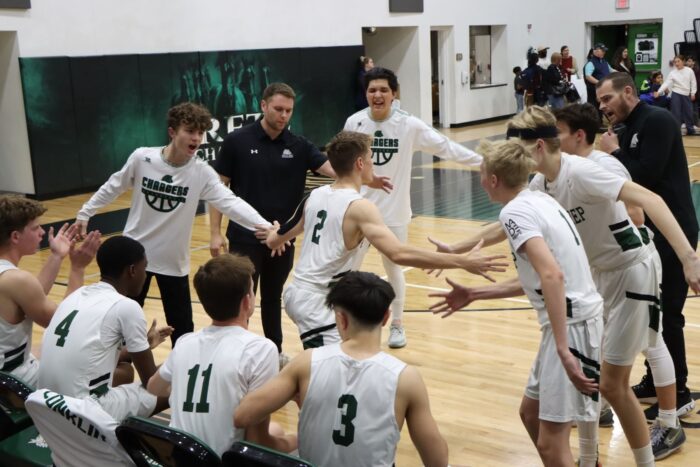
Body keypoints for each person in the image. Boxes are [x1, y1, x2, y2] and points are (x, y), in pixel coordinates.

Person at [430, 138, 603, 467]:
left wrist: (564, 349)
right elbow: (541, 282)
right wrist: (474, 293)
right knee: (530, 414)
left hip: (572, 326)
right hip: (574, 320)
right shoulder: (539, 199)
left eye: (482, 173)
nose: (480, 179)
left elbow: (552, 276)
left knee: (552, 444)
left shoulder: (515, 212)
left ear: (493, 179)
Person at [263, 131, 506, 348]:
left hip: (303, 292)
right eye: (370, 159)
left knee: (350, 361)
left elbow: (276, 239)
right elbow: (398, 254)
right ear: (360, 163)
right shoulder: (360, 208)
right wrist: (462, 261)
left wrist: (273, 232)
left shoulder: (314, 196)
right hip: (316, 303)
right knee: (326, 378)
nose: (373, 165)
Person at [210, 83, 389, 361]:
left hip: (282, 237)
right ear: (263, 105)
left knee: (272, 298)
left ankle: (275, 352)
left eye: (289, 111)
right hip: (246, 237)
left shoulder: (299, 145)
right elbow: (218, 189)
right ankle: (235, 356)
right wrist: (214, 232)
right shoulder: (237, 141)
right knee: (241, 300)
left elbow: (336, 169)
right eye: (278, 109)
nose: (283, 115)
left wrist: (364, 174)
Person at [553, 103, 688, 460]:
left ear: (578, 135)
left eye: (557, 133)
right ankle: (599, 411)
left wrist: (682, 257)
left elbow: (639, 212)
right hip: (604, 268)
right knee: (601, 346)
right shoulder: (564, 171)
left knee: (650, 342)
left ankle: (669, 423)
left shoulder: (604, 165)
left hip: (632, 265)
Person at [75, 102, 272, 345]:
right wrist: (85, 212)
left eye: (201, 133)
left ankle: (180, 375)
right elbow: (114, 185)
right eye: (190, 131)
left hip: (173, 262)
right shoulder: (142, 158)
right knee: (119, 326)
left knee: (183, 332)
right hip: (134, 259)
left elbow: (230, 203)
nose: (197, 138)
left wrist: (265, 225)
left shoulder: (201, 172)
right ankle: (115, 372)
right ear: (172, 132)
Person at [235, 271, 449, 467]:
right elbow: (438, 461)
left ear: (340, 319)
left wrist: (289, 393)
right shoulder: (406, 378)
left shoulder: (306, 363)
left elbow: (243, 416)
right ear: (386, 318)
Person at [343, 67, 483, 348]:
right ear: (366, 94)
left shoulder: (409, 125)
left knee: (395, 269)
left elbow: (446, 148)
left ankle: (397, 324)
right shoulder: (354, 123)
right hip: (357, 212)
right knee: (347, 271)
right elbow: (344, 164)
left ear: (394, 94)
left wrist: (484, 163)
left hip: (392, 215)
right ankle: (342, 323)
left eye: (384, 90)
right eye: (372, 90)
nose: (378, 95)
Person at [598, 71, 699, 431]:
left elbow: (644, 176)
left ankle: (681, 392)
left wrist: (614, 154)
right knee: (650, 315)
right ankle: (656, 381)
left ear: (628, 92)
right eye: (599, 103)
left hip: (674, 231)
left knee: (667, 315)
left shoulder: (657, 120)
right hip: (650, 234)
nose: (603, 108)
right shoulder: (632, 126)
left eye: (607, 99)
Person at [147, 253, 296, 456]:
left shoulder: (185, 342)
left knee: (275, 429)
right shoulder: (261, 349)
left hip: (180, 455)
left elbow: (154, 387)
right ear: (247, 302)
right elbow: (257, 441)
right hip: (222, 459)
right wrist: (297, 440)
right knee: (280, 435)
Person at [38, 236, 172, 422]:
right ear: (132, 270)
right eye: (145, 267)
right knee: (178, 380)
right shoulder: (126, 306)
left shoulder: (76, 295)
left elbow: (92, 349)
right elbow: (151, 382)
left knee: (124, 370)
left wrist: (146, 344)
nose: (146, 273)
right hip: (83, 412)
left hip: (45, 403)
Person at [0, 195, 100, 386]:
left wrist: (56, 256)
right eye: (36, 228)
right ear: (15, 236)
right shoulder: (17, 280)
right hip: (11, 384)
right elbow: (64, 324)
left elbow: (31, 295)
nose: (42, 232)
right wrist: (77, 268)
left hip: (11, 368)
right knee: (118, 371)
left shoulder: (12, 280)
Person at [655, 55, 698, 135]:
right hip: (676, 93)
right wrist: (659, 92)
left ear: (683, 61)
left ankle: (690, 129)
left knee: (688, 112)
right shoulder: (672, 73)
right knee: (676, 113)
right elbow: (666, 83)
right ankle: (676, 130)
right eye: (675, 62)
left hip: (686, 94)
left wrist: (693, 93)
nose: (677, 63)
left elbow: (693, 82)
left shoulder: (689, 71)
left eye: (678, 61)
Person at [584, 43, 610, 110]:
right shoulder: (590, 63)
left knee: (601, 110)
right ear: (596, 51)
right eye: (602, 51)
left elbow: (611, 70)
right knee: (594, 110)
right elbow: (588, 76)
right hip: (594, 93)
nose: (604, 52)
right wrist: (599, 82)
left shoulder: (604, 61)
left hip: (603, 91)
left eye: (604, 51)